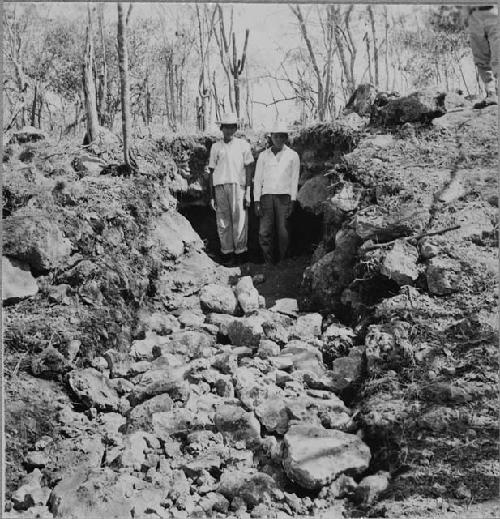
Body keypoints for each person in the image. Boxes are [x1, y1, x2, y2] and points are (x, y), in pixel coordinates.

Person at [207, 112, 254, 266]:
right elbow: (212, 172)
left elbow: (248, 168)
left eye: (232, 127)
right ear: (222, 128)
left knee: (239, 220)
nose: (229, 130)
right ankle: (227, 254)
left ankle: (241, 254)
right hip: (220, 187)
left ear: (236, 128)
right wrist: (212, 195)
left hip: (238, 187)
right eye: (226, 127)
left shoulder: (243, 145)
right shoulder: (215, 147)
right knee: (223, 222)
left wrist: (247, 190)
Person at [253, 121, 300, 264]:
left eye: (281, 136)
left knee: (283, 232)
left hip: (284, 198)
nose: (278, 139)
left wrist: (293, 200)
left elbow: (294, 180)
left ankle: (282, 262)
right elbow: (258, 179)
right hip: (266, 197)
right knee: (264, 232)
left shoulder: (293, 155)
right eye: (275, 136)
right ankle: (268, 261)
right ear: (271, 137)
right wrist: (256, 201)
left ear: (285, 138)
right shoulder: (263, 156)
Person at [466, 5, 499, 108]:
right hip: (474, 14)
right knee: (480, 57)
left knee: (498, 54)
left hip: (494, 11)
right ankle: (491, 94)